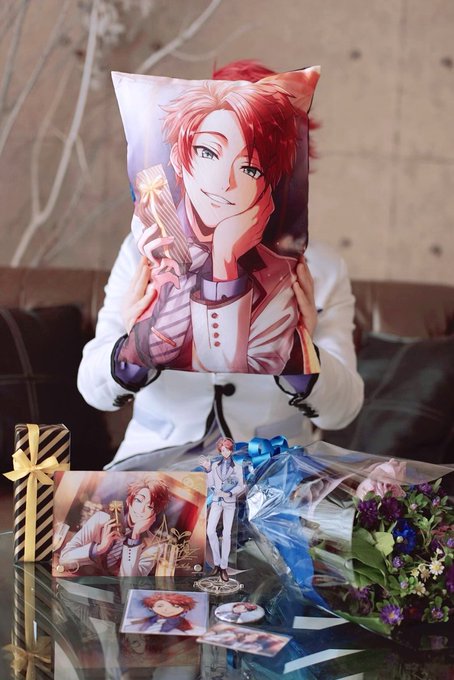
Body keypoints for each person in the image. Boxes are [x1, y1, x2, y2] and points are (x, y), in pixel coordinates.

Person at [77, 60, 364, 469]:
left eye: (249, 166)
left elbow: (343, 410)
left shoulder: (319, 268)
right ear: (180, 158)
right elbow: (93, 389)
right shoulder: (145, 251)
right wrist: (134, 345)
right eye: (208, 151)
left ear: (274, 181)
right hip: (154, 466)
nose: (224, 181)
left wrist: (299, 351)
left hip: (275, 471)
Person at [59, 477, 169, 576]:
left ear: (155, 513)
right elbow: (64, 559)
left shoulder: (154, 545)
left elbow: (130, 584)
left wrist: (135, 537)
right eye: (139, 500)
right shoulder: (100, 520)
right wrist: (99, 548)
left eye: (149, 507)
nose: (141, 509)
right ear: (129, 501)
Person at [200, 437, 244, 582]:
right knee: (210, 531)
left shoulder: (237, 467)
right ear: (220, 451)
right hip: (216, 501)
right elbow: (210, 484)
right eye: (223, 450)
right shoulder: (214, 466)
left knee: (226, 534)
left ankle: (223, 567)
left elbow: (241, 486)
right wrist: (207, 470)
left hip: (230, 502)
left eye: (227, 449)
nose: (225, 452)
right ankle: (217, 563)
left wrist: (230, 493)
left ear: (231, 450)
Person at [126, 593, 199, 634]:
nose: (167, 609)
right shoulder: (153, 619)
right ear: (151, 608)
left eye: (175, 606)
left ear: (185, 609)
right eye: (160, 606)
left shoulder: (181, 623)